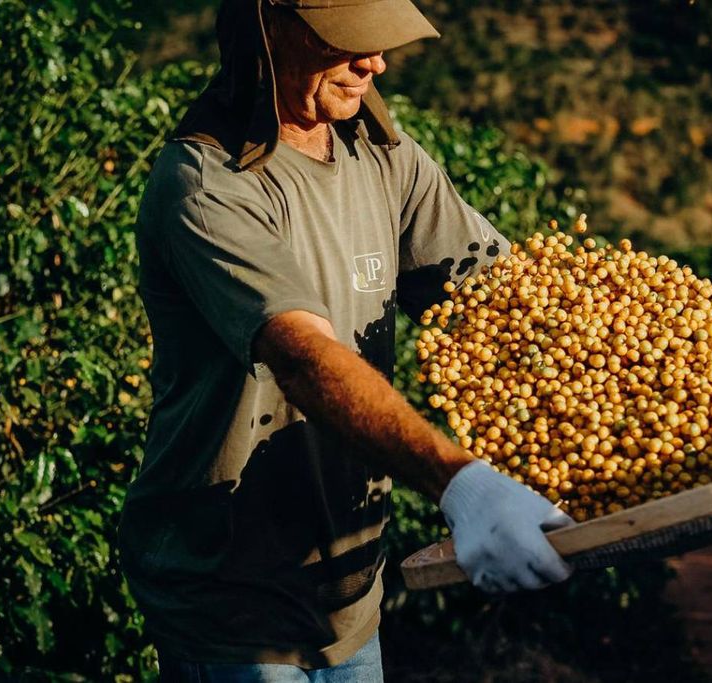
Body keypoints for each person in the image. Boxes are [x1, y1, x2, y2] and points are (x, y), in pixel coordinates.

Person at [118, 0, 574, 680]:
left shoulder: (383, 157)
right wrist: (463, 486)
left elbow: (502, 298)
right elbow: (302, 357)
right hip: (233, 607)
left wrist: (695, 377)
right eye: (350, 42)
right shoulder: (207, 180)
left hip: (351, 599)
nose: (375, 62)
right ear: (272, 31)